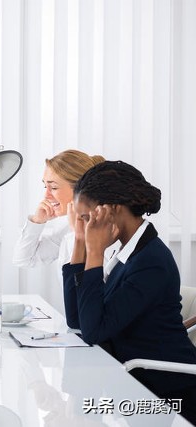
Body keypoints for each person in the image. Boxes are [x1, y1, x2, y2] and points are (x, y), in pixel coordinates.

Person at [63, 160, 196, 424]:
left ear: (112, 210)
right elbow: (77, 320)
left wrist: (96, 251)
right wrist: (80, 243)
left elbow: (94, 330)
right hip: (130, 378)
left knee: (79, 414)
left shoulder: (151, 261)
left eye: (87, 218)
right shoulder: (129, 252)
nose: (85, 226)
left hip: (163, 391)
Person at [13, 149, 109, 268]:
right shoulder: (67, 229)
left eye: (53, 187)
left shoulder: (109, 232)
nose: (46, 196)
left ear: (81, 189)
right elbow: (23, 260)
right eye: (45, 186)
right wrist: (37, 222)